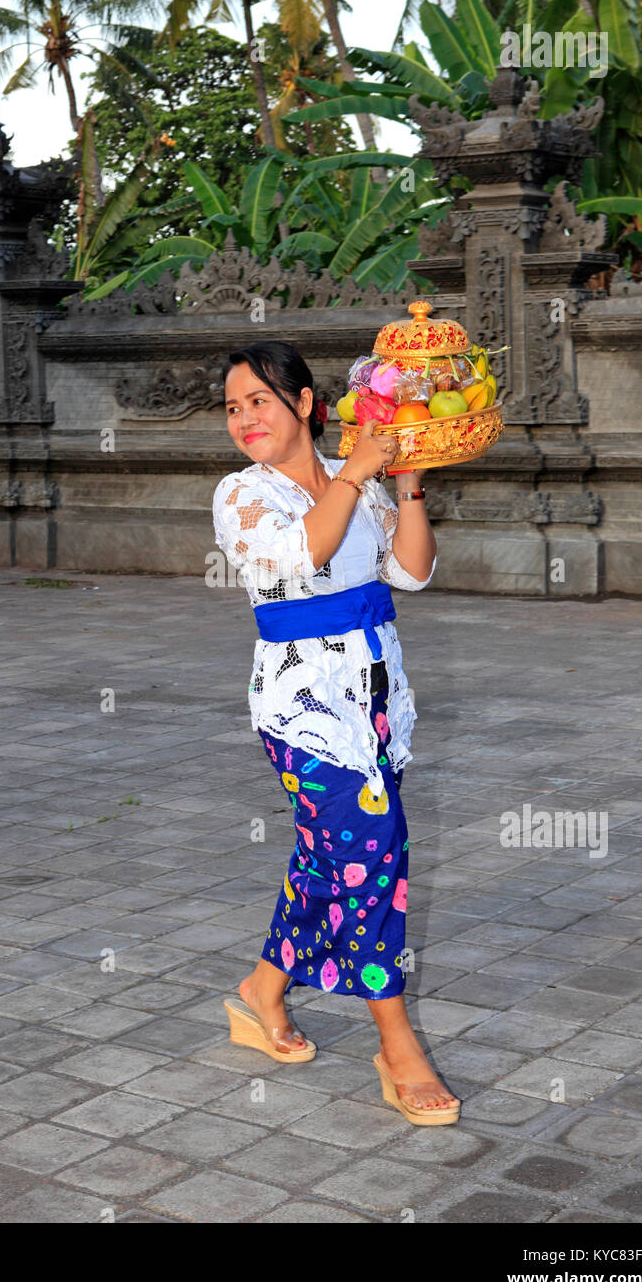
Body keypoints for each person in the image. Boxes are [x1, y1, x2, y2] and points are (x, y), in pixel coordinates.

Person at [211, 339, 460, 1125]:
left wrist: (408, 485)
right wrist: (355, 473)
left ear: (307, 404)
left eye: (259, 401)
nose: (245, 418)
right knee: (373, 858)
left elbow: (413, 573)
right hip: (304, 714)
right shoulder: (243, 496)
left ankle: (261, 992)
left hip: (378, 704)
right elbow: (297, 562)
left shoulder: (357, 489)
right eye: (233, 407)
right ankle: (397, 1045)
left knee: (331, 859)